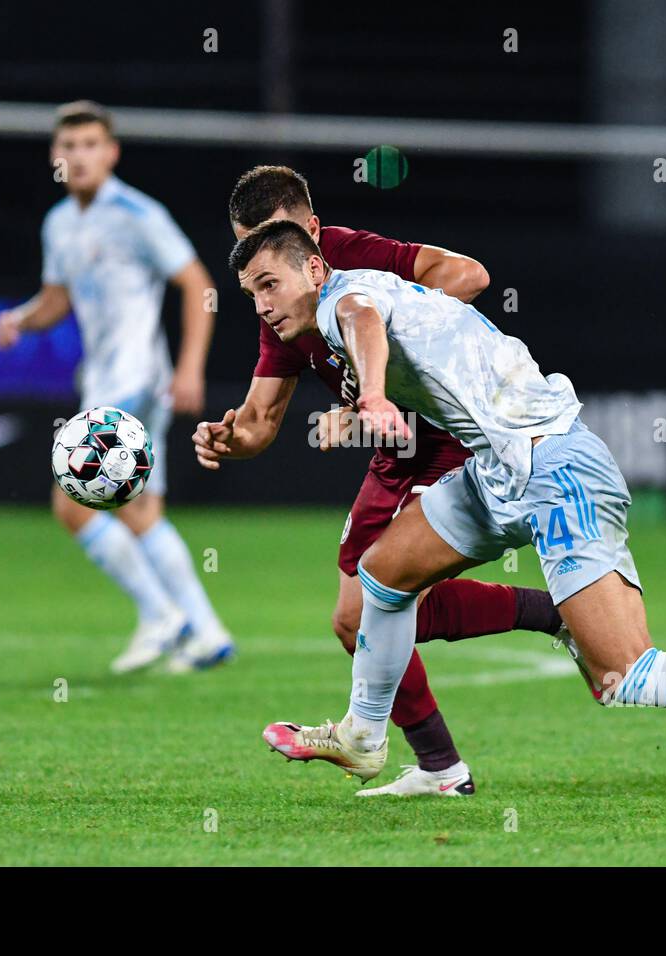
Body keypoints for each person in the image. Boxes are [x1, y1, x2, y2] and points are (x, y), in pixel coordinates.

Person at [227, 219, 666, 810]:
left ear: (314, 268)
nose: (261, 303)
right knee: (384, 575)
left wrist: (369, 395)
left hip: (557, 468)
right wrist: (359, 398)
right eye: (251, 292)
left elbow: (364, 322)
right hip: (496, 469)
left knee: (625, 675)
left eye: (269, 283)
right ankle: (364, 735)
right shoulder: (352, 304)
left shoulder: (347, 298)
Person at [191, 166, 567, 797]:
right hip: (396, 454)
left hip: (451, 435)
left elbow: (468, 275)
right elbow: (259, 424)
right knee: (351, 619)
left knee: (384, 596)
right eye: (248, 260)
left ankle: (555, 616)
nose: (258, 274)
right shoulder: (278, 302)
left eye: (269, 253)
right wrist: (230, 439)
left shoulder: (348, 263)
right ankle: (444, 769)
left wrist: (394, 369)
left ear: (308, 234)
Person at [0, 100, 232, 674]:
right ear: (56, 156)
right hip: (102, 379)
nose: (79, 156)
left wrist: (192, 366)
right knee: (141, 506)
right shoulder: (59, 222)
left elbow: (199, 283)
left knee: (72, 500)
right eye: (69, 146)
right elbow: (57, 300)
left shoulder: (136, 212)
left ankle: (159, 615)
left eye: (91, 145)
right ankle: (205, 631)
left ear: (111, 152)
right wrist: (20, 318)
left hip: (135, 377)